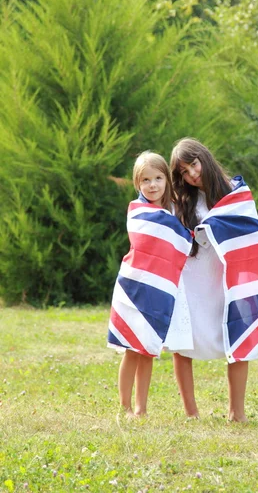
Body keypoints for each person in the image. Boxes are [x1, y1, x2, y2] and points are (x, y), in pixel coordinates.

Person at [170, 138, 258, 422]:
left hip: (229, 280)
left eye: (194, 165)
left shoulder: (236, 195)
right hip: (192, 279)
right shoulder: (182, 201)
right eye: (184, 172)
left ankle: (237, 412)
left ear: (204, 158)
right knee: (183, 341)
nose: (192, 174)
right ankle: (191, 413)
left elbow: (250, 233)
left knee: (238, 337)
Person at [107, 151, 193, 418]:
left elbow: (179, 241)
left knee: (148, 351)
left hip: (158, 289)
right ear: (137, 183)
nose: (152, 185)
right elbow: (148, 241)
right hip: (134, 288)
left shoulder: (171, 211)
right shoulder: (138, 210)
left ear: (166, 179)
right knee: (132, 350)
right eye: (146, 180)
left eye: (158, 178)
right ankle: (124, 407)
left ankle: (141, 409)